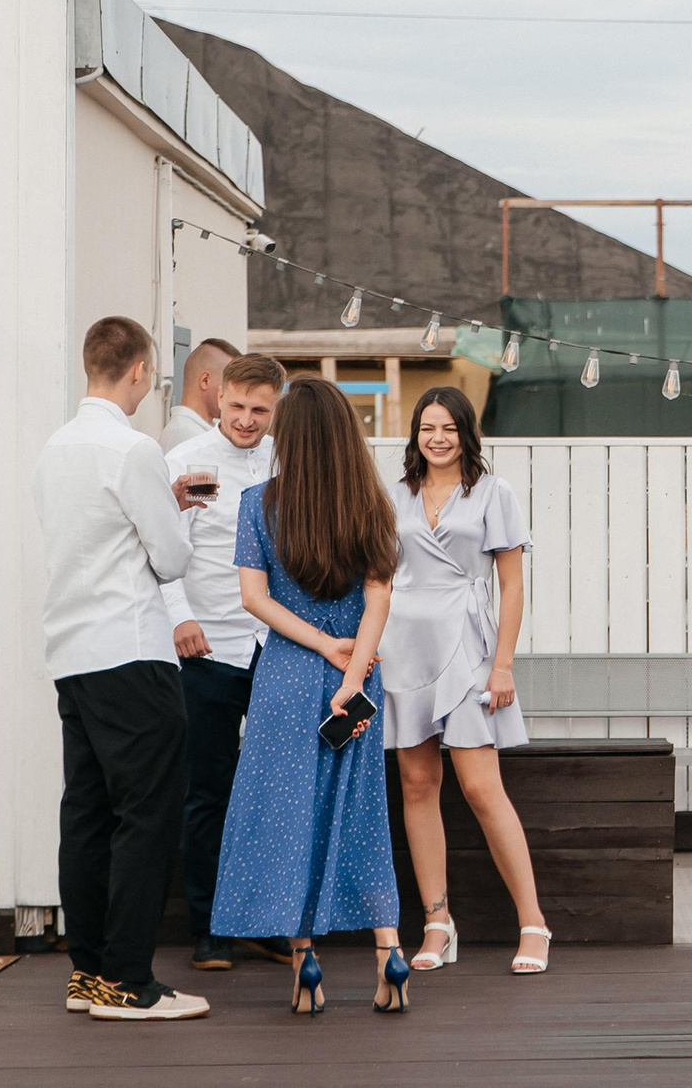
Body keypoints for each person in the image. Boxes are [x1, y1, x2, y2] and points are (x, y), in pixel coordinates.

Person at [211, 378, 410, 1016]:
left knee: (291, 821)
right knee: (363, 816)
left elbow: (254, 599)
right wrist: (352, 677)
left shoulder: (257, 504)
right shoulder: (373, 505)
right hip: (358, 680)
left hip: (288, 678)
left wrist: (323, 646)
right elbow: (380, 595)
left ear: (286, 437)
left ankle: (306, 965)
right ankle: (389, 955)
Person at [35, 315, 210, 1021]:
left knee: (87, 809)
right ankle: (129, 980)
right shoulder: (133, 448)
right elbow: (169, 558)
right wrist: (175, 514)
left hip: (72, 649)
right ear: (138, 370)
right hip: (131, 649)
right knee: (147, 811)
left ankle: (89, 972)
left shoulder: (55, 448)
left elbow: (93, 536)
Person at [381, 388, 549, 975]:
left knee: (480, 786)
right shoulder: (395, 493)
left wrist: (502, 664)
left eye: (449, 427)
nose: (438, 437)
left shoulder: (492, 492)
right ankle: (436, 921)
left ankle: (533, 922)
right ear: (415, 434)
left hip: (469, 647)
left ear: (466, 432)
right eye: (427, 427)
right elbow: (381, 577)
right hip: (402, 648)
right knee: (417, 783)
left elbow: (512, 585)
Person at [161, 353, 288, 975]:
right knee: (206, 789)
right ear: (220, 400)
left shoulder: (288, 467)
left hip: (275, 648)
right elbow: (156, 551)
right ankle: (210, 929)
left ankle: (265, 922)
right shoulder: (182, 465)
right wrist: (179, 617)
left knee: (270, 789)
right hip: (207, 645)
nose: (245, 419)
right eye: (236, 407)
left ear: (274, 409)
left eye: (259, 410)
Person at [161, 336, 239, 452]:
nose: (236, 394)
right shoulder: (183, 433)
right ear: (205, 380)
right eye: (230, 384)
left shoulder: (201, 431)